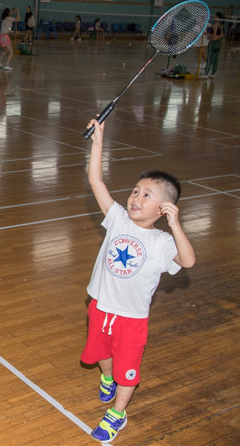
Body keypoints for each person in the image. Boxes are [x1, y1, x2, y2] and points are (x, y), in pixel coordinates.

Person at [82, 118, 195, 443]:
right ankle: (107, 379)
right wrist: (98, 141)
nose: (135, 197)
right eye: (135, 191)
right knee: (100, 354)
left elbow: (187, 261)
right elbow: (95, 180)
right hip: (101, 306)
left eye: (147, 195)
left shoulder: (163, 243)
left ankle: (118, 413)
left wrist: (176, 225)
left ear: (163, 208)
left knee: (127, 369)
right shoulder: (117, 219)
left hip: (131, 319)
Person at [203, 12, 223, 78]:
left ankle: (206, 73)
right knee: (215, 58)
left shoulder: (216, 25)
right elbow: (220, 36)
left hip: (213, 43)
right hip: (218, 43)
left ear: (217, 17)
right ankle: (213, 72)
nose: (214, 17)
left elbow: (214, 36)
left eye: (215, 16)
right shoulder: (221, 25)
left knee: (209, 58)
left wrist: (207, 33)